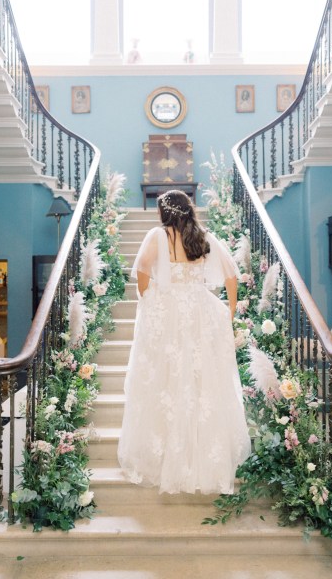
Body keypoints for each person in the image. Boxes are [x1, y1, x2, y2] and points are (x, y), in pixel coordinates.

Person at [117, 190, 251, 495]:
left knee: (166, 379)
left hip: (168, 313)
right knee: (200, 380)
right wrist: (228, 311)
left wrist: (148, 294)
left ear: (165, 211)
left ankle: (167, 453)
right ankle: (200, 456)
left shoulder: (158, 235)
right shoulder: (203, 237)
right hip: (200, 311)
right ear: (188, 209)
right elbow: (232, 275)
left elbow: (141, 268)